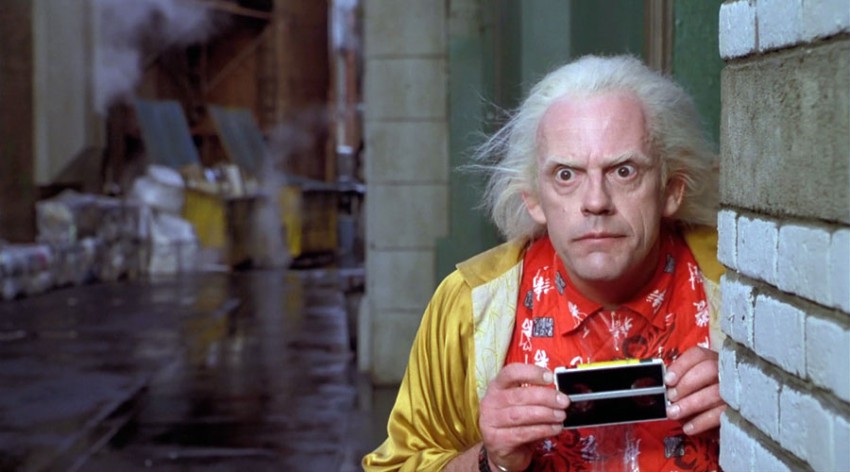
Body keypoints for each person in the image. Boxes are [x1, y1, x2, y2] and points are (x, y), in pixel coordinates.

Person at [363, 55, 727, 472]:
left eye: (624, 171)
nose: (595, 201)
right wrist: (491, 460)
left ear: (671, 189)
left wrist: (755, 404)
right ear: (533, 199)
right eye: (566, 175)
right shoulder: (471, 305)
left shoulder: (737, 287)